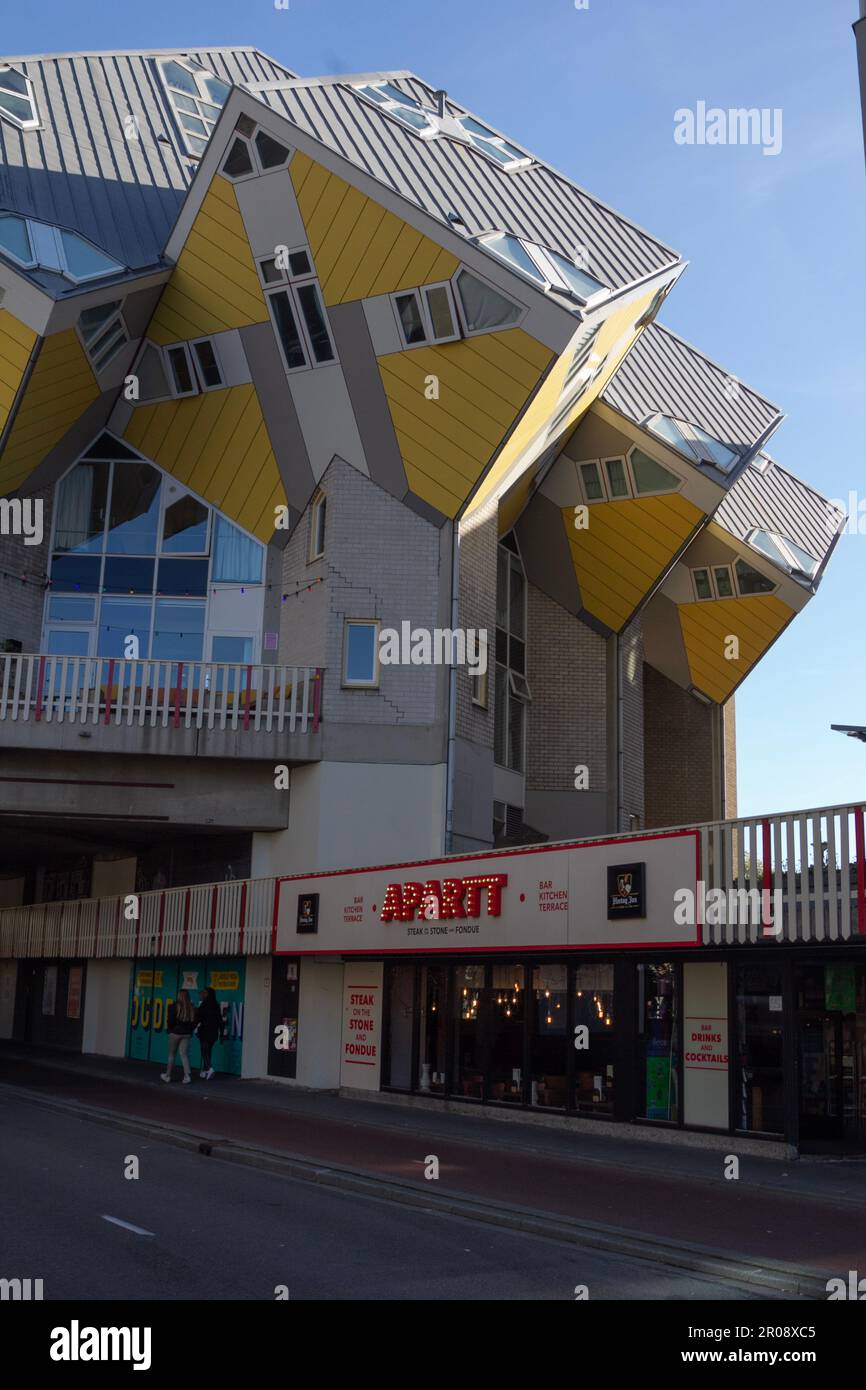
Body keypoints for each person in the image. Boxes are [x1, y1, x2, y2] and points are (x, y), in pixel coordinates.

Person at [160, 989, 195, 1084]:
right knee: (184, 1054)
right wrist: (190, 1031)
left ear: (179, 995)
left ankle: (167, 1075)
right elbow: (193, 1022)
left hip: (175, 1033)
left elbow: (170, 1021)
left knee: (172, 1054)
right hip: (186, 1034)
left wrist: (170, 1030)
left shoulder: (174, 1006)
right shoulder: (191, 1007)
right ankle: (187, 1076)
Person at [195, 986, 224, 1080]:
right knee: (208, 1051)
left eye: (204, 993)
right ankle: (205, 1070)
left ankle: (210, 1068)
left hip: (205, 1031)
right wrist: (221, 1034)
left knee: (204, 1051)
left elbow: (198, 1017)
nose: (202, 994)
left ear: (208, 994)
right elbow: (220, 1020)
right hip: (214, 1032)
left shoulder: (204, 1005)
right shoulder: (216, 1005)